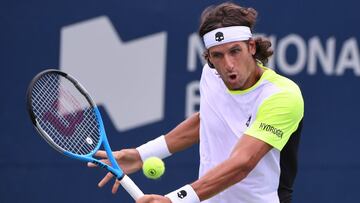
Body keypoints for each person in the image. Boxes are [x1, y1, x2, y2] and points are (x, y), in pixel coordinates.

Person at [88, 2, 304, 203]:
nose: (228, 65)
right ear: (209, 58)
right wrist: (143, 155)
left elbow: (243, 163)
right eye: (217, 55)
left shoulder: (282, 95)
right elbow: (208, 120)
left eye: (235, 51)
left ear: (251, 47)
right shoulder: (211, 76)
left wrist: (174, 199)